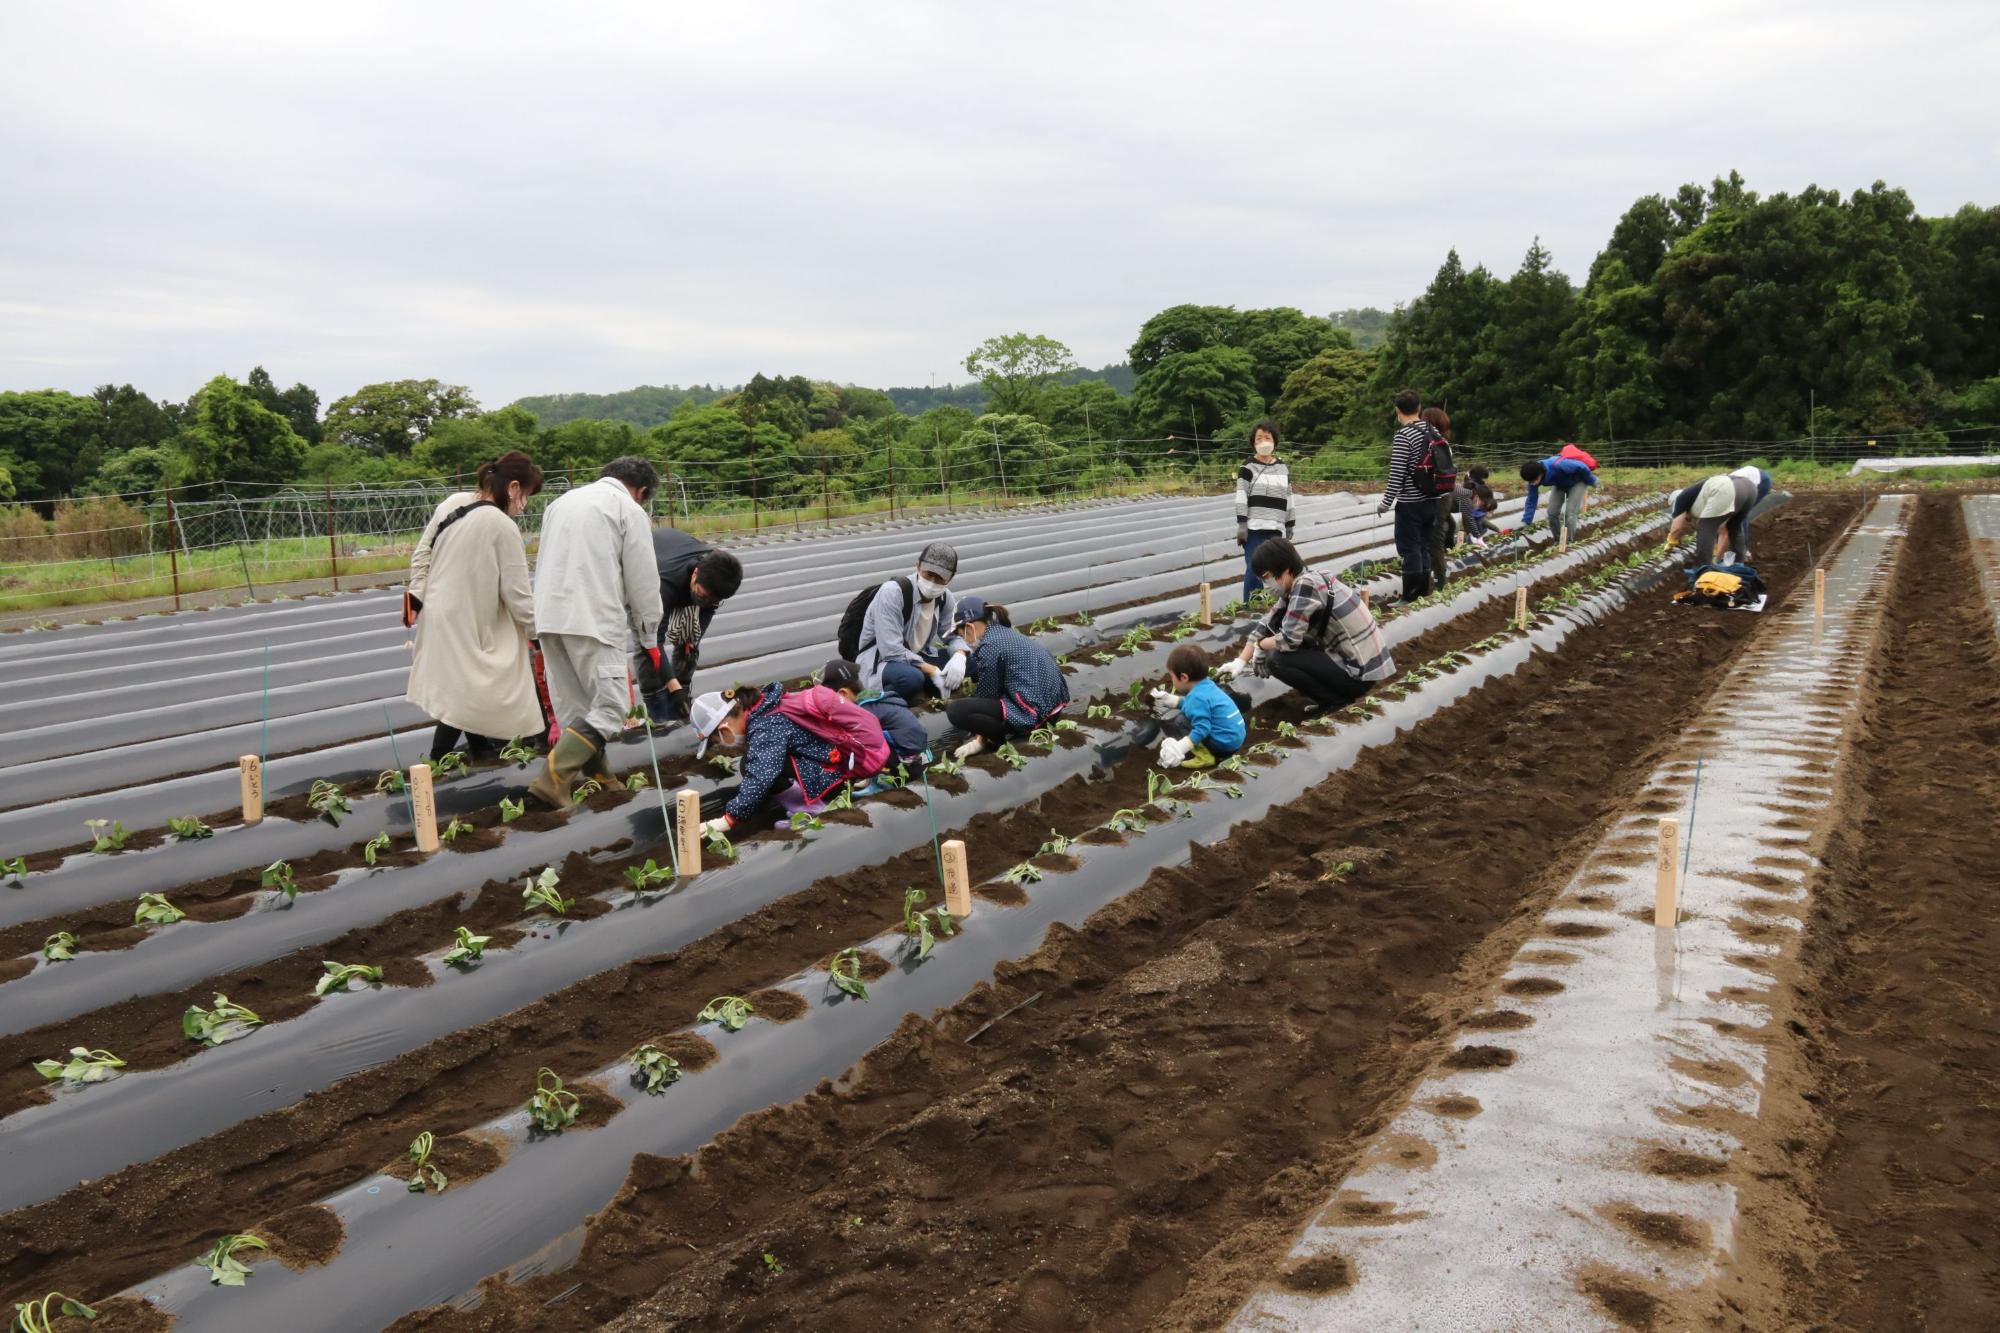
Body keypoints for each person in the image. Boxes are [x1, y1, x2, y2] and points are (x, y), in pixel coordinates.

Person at [527, 456, 664, 809]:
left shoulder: (560, 503)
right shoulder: (628, 510)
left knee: (578, 709)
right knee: (612, 707)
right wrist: (649, 637)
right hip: (593, 617)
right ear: (641, 492)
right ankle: (552, 778)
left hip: (549, 617)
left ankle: (604, 782)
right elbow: (643, 581)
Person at [405, 451, 546, 763]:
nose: (523, 506)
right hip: (469, 618)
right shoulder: (503, 526)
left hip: (439, 613)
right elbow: (518, 594)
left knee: (466, 684)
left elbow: (422, 552)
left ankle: (481, 751)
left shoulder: (454, 503)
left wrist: (415, 596)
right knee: (473, 687)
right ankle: (438, 760)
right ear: (512, 487)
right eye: (525, 496)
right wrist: (538, 635)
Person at [692, 679, 890, 836]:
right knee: (758, 762)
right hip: (835, 761)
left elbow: (761, 775)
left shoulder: (766, 725)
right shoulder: (766, 707)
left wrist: (729, 819)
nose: (721, 745)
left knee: (752, 766)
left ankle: (814, 809)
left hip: (835, 772)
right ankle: (811, 802)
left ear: (724, 729)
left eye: (717, 740)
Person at [1219, 537, 1394, 711]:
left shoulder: (1305, 585)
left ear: (1285, 569)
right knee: (1285, 646)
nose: (1265, 585)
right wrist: (1240, 661)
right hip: (1362, 667)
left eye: (1267, 577)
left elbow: (1289, 640)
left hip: (1359, 675)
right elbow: (1267, 623)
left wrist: (1261, 645)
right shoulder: (1303, 581)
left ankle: (1335, 702)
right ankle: (1332, 698)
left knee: (1277, 660)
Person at [939, 597, 1070, 760]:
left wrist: (980, 739)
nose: (965, 641)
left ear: (969, 628)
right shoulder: (1003, 633)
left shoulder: (990, 646)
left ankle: (999, 739)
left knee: (957, 711)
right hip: (1053, 709)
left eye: (962, 635)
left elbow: (987, 695)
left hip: (1033, 714)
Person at [635, 527, 743, 723]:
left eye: (712, 600)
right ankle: (657, 708)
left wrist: (693, 640)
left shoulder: (717, 573)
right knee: (647, 652)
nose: (705, 602)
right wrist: (672, 687)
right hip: (645, 575)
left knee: (689, 647)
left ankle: (681, 702)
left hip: (676, 561)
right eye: (702, 594)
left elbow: (706, 611)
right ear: (695, 574)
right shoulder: (663, 586)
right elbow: (650, 641)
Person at [855, 541, 969, 706]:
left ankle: (925, 690)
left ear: (950, 578)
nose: (932, 582)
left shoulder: (945, 598)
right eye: (928, 574)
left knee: (971, 664)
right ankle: (872, 703)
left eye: (939, 578)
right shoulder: (893, 593)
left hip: (916, 656)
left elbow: (952, 633)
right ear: (918, 566)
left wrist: (960, 655)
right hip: (882, 661)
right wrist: (932, 670)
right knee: (911, 678)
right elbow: (891, 650)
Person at [1378, 390, 1438, 603]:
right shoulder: (1432, 430)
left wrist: (1385, 503)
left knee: (1410, 548)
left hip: (1410, 504)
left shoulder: (1403, 436)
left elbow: (1397, 473)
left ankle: (1410, 597)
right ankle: (1423, 593)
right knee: (1423, 546)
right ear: (1419, 408)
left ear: (1397, 410)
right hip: (1432, 500)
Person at [823, 657, 930, 773]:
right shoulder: (871, 697)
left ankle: (879, 778)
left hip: (907, 764)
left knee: (852, 746)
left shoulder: (862, 712)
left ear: (842, 694)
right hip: (916, 752)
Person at [1150, 643, 1247, 769]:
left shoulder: (1197, 698)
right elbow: (1195, 705)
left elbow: (1202, 729)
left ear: (1183, 677)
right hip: (1235, 740)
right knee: (1192, 714)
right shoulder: (1208, 686)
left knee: (1181, 721)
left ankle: (1205, 756)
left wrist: (1181, 747)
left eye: (1172, 676)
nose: (1172, 680)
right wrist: (1171, 700)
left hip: (1223, 746)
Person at [1234, 419, 1297, 600]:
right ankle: (1250, 607)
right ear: (1253, 443)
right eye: (1259, 438)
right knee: (1255, 569)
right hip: (1254, 528)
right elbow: (1241, 496)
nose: (1263, 442)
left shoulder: (1282, 467)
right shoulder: (1247, 467)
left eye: (1267, 438)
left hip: (1275, 528)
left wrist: (1290, 523)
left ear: (1274, 441)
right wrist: (1242, 525)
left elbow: (1289, 495)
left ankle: (1275, 605)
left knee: (1276, 571)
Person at [1519, 450, 1598, 545]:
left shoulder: (1557, 464)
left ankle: (1568, 543)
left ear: (1540, 473)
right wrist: (1526, 521)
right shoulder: (1533, 479)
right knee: (1551, 512)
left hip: (1577, 482)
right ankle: (1559, 541)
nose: (1533, 483)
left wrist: (1592, 480)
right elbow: (1531, 500)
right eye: (1530, 481)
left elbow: (1582, 466)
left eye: (1534, 480)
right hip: (1560, 485)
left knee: (1570, 513)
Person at [1686, 471, 1758, 566]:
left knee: (1705, 526)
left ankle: (1704, 567)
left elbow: (1723, 534)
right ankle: (1739, 562)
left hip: (1735, 491)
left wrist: (1717, 558)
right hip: (1750, 489)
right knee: (1734, 526)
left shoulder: (1718, 502)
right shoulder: (1707, 495)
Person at [1420, 406, 1456, 587]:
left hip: (1438, 496)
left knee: (1434, 541)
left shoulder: (1434, 444)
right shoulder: (1443, 442)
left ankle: (1440, 584)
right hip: (1444, 494)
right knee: (1437, 533)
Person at [1456, 464, 1501, 546]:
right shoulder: (1471, 486)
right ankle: (1470, 542)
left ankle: (1472, 541)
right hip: (1472, 513)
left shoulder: (1477, 485)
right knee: (1470, 530)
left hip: (1475, 514)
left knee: (1475, 529)